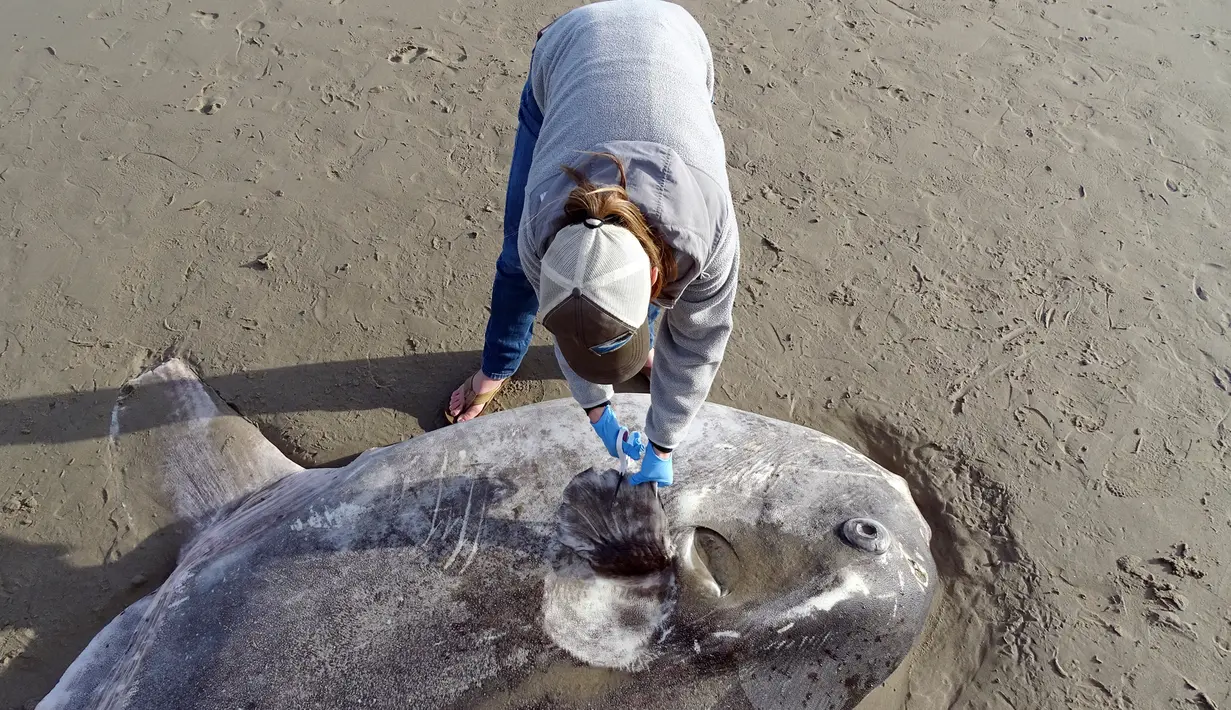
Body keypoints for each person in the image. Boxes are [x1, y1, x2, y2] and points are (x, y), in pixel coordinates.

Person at [444, 0, 740, 488]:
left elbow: (698, 342)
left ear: (653, 277)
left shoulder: (706, 237)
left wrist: (664, 441)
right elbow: (571, 322)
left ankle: (627, 336)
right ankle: (497, 367)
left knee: (624, 297)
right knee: (514, 271)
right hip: (568, 52)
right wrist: (598, 412)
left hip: (676, 42)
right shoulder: (540, 224)